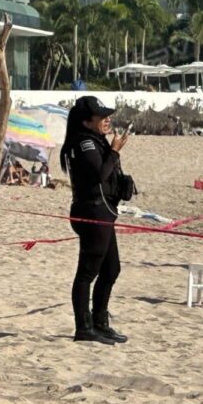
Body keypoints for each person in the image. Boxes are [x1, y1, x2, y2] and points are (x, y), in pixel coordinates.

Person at [60, 95, 128, 345]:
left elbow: (108, 174)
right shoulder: (83, 143)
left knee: (111, 269)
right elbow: (99, 174)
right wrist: (114, 150)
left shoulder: (96, 141)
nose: (107, 120)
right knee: (87, 272)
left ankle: (100, 322)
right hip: (91, 213)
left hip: (103, 212)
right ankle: (84, 327)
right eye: (102, 117)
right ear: (88, 122)